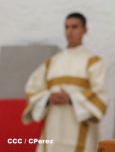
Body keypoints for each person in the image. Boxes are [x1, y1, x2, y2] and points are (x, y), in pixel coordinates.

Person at [23, 12, 108, 152]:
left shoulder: (93, 62)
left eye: (75, 27)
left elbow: (100, 96)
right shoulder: (52, 62)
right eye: (66, 27)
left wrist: (70, 99)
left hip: (80, 129)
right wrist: (48, 97)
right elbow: (32, 89)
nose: (70, 31)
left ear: (85, 30)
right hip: (53, 130)